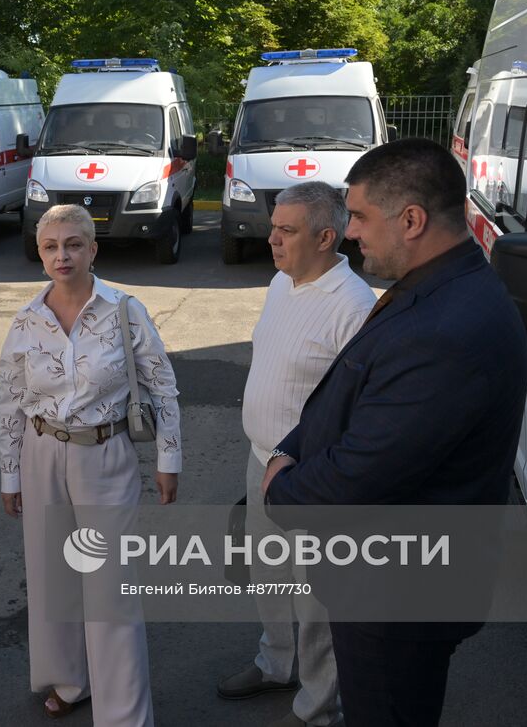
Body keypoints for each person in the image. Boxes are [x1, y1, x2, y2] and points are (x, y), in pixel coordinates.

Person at [263, 138, 527, 727]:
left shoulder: (447, 326)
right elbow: (346, 391)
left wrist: (281, 489)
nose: (350, 232)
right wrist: (290, 447)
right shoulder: (436, 286)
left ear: (411, 220)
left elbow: (365, 470)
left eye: (358, 216)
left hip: (398, 597)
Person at [0, 203, 182, 725]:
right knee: (53, 577)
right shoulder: (27, 319)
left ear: (93, 249)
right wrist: (10, 472)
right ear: (40, 253)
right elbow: (11, 400)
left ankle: (123, 712)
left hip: (105, 453)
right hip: (40, 452)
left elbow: (161, 384)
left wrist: (169, 456)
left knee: (109, 585)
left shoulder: (124, 309)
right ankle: (70, 681)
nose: (63, 255)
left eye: (74, 244)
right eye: (52, 246)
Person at [217, 182, 374, 727]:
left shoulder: (354, 309)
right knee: (270, 578)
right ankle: (276, 664)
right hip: (263, 461)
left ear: (326, 237)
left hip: (311, 478)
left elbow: (361, 413)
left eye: (287, 230)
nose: (272, 240)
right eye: (273, 227)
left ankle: (317, 707)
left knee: (315, 600)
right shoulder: (282, 284)